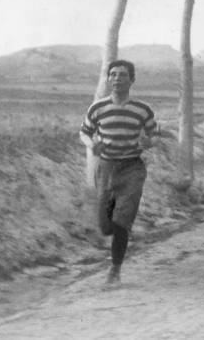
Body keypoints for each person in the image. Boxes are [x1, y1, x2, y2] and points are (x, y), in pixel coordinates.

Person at [80, 60, 159, 284]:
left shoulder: (142, 109)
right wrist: (91, 144)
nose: (116, 79)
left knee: (122, 221)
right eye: (112, 74)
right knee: (106, 226)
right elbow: (84, 132)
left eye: (122, 75)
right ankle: (117, 233)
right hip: (106, 168)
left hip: (132, 168)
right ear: (108, 79)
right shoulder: (98, 108)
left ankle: (115, 269)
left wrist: (148, 141)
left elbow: (154, 134)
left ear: (131, 80)